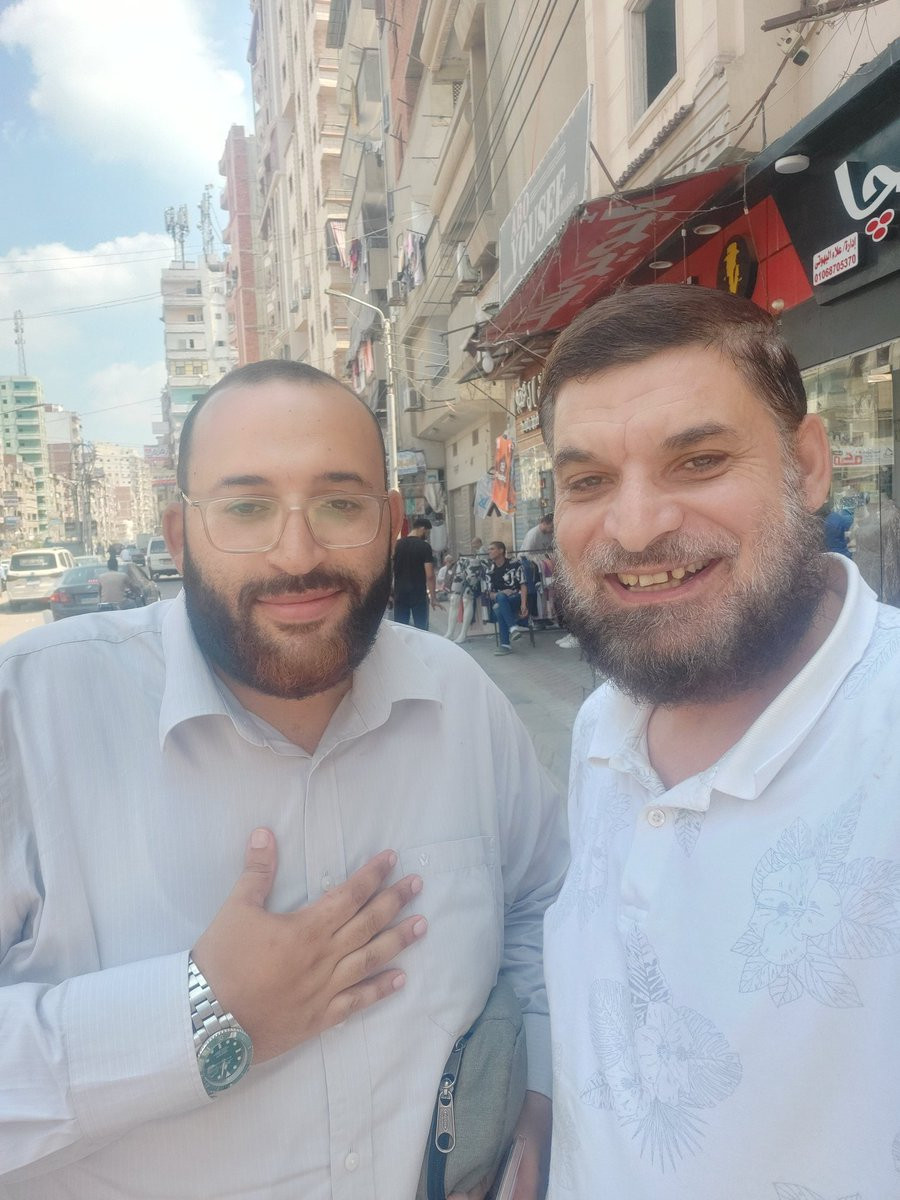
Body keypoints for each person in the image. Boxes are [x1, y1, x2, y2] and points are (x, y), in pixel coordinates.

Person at [0, 359, 567, 1199]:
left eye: (339, 504)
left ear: (390, 524)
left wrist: (538, 1093)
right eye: (246, 507)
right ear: (179, 535)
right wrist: (197, 1017)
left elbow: (544, 905)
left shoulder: (457, 697)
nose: (297, 553)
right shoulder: (30, 716)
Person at [538, 283, 900, 1198]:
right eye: (588, 483)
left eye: (698, 461)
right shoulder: (603, 728)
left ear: (807, 466)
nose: (635, 527)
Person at [392, 515, 438, 630]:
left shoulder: (397, 545)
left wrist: (389, 593)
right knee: (422, 630)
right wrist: (433, 597)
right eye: (427, 532)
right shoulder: (425, 547)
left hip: (400, 592)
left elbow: (389, 571)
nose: (427, 535)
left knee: (401, 629)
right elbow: (430, 575)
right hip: (418, 593)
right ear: (422, 528)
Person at [487, 541, 528, 655]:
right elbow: (489, 594)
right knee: (500, 603)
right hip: (501, 601)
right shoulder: (490, 569)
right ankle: (513, 629)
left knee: (499, 606)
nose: (489, 552)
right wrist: (502, 593)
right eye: (489, 549)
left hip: (516, 598)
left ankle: (505, 644)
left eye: (492, 549)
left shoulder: (515, 564)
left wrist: (523, 604)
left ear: (501, 550)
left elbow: (523, 585)